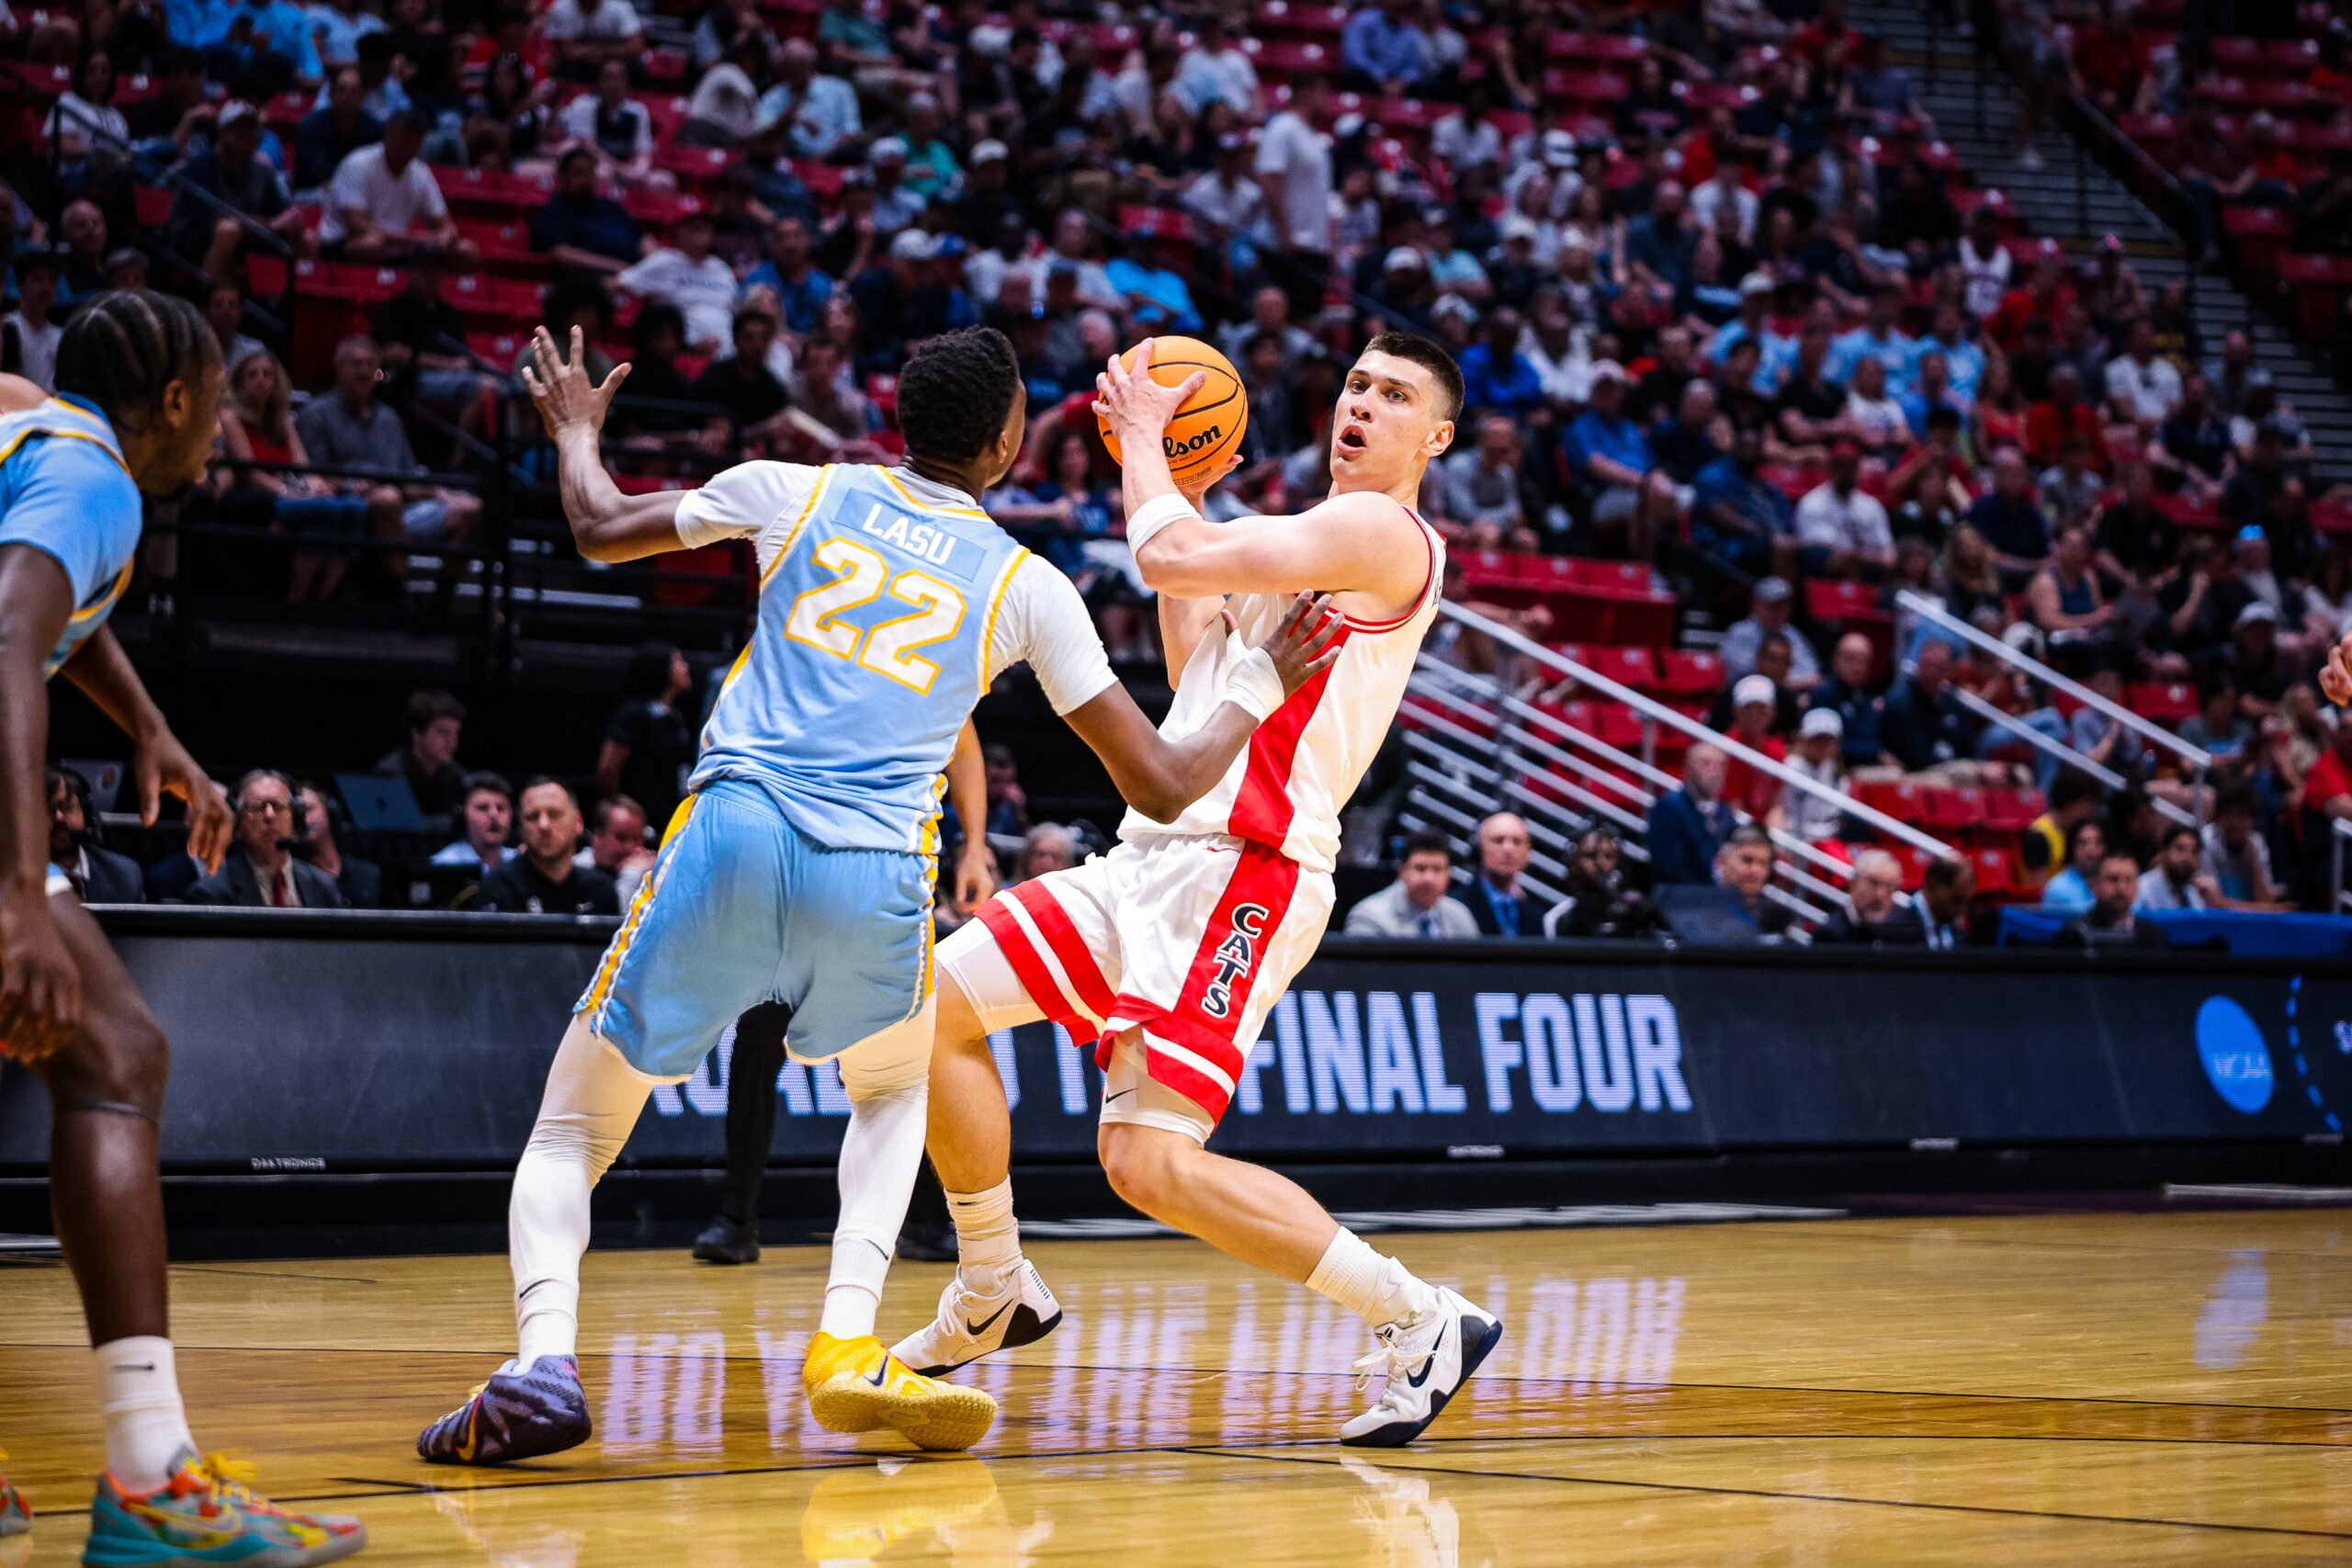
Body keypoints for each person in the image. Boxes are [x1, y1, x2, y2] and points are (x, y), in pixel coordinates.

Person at [417, 323, 1343, 1464]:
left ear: (902, 423)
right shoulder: (1027, 581)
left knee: (571, 1130)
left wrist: (572, 432)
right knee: (893, 1097)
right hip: (873, 876)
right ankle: (848, 1339)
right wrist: (1257, 678)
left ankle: (543, 1362)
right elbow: (1159, 776)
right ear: (1008, 445)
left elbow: (600, 527)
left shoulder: (794, 490)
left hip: (733, 833)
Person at [903, 332, 1505, 1450]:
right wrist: (1176, 484)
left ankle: (1420, 1319)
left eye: (1396, 395)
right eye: (1356, 383)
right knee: (926, 1008)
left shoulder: (1381, 531)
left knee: (1144, 1161)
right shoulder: (1294, 543)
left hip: (1250, 874)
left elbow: (1168, 560)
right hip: (1152, 856)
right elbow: (1194, 671)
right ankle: (991, 1281)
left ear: (1437, 437)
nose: (1363, 404)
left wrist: (1144, 453)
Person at [0, 293, 366, 1562]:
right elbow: (8, 627)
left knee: (107, 1051)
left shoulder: (28, 423)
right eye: (214, 403)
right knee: (115, 1056)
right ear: (167, 405)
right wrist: (18, 887)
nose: (222, 429)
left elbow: (46, 607)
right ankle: (153, 1477)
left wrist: (146, 721)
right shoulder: (102, 484)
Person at [187, 769, 351, 908]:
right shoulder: (210, 893)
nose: (269, 815)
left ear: (296, 819)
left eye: (279, 806)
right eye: (257, 807)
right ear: (236, 823)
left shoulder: (323, 885)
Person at [477, 780, 620, 915]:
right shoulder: (499, 888)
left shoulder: (600, 889)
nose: (543, 825)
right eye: (532, 816)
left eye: (554, 814)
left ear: (578, 822)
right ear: (521, 827)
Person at [596, 641, 695, 829]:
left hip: (671, 817)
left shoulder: (677, 717)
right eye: (678, 661)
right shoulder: (634, 714)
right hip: (640, 821)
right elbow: (608, 769)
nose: (685, 666)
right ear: (661, 668)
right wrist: (621, 815)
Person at [1343, 829, 1476, 937]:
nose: (1428, 878)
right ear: (1402, 871)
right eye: (1420, 868)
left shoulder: (1459, 915)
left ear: (1449, 874)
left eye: (1437, 869)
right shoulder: (1369, 916)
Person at [45, 765, 143, 903]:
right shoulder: (12, 877)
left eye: (67, 806)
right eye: (47, 809)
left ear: (86, 812)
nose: (58, 817)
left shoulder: (124, 876)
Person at [1645, 741, 1736, 885]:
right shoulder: (1669, 809)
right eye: (1706, 764)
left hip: (1721, 898)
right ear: (1688, 767)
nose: (1715, 771)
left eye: (1721, 765)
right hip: (1682, 898)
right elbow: (1670, 868)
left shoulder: (1725, 813)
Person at [376, 689, 469, 817]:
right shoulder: (390, 775)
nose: (452, 742)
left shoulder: (457, 775)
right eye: (443, 732)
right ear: (417, 733)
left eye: (456, 733)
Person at [294, 783, 380, 908]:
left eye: (307, 809)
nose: (302, 818)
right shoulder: (292, 879)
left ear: (330, 812)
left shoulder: (368, 874)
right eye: (296, 813)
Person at [1456, 810, 1538, 938]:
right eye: (1498, 840)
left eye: (1517, 841)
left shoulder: (1534, 912)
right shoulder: (1457, 906)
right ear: (1479, 847)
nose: (1508, 849)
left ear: (1528, 851)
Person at [2061, 852, 2168, 947]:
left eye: (2129, 880)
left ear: (2137, 887)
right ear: (2094, 885)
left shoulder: (2152, 937)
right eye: (2113, 879)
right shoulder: (2075, 934)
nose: (2121, 888)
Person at [429, 772, 517, 873]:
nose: (494, 815)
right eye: (483, 808)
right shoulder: (443, 865)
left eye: (501, 808)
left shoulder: (522, 862)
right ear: (463, 816)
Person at [576, 793, 654, 906]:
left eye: (637, 839)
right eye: (621, 838)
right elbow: (616, 917)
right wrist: (632, 873)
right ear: (597, 838)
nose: (630, 847)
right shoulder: (575, 870)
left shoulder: (648, 871)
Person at [1810, 846, 1901, 942]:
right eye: (1873, 883)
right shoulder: (1829, 934)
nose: (1880, 894)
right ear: (1853, 884)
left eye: (1890, 886)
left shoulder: (1898, 935)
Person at [2135, 823, 2213, 912]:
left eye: (2194, 851)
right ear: (2164, 851)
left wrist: (2213, 902)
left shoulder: (2196, 891)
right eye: (2180, 849)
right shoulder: (2141, 887)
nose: (2187, 858)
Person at [2039, 818, 2107, 917]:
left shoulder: (2118, 882)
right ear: (2072, 848)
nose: (2092, 851)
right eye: (2083, 843)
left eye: (2098, 843)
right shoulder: (2057, 889)